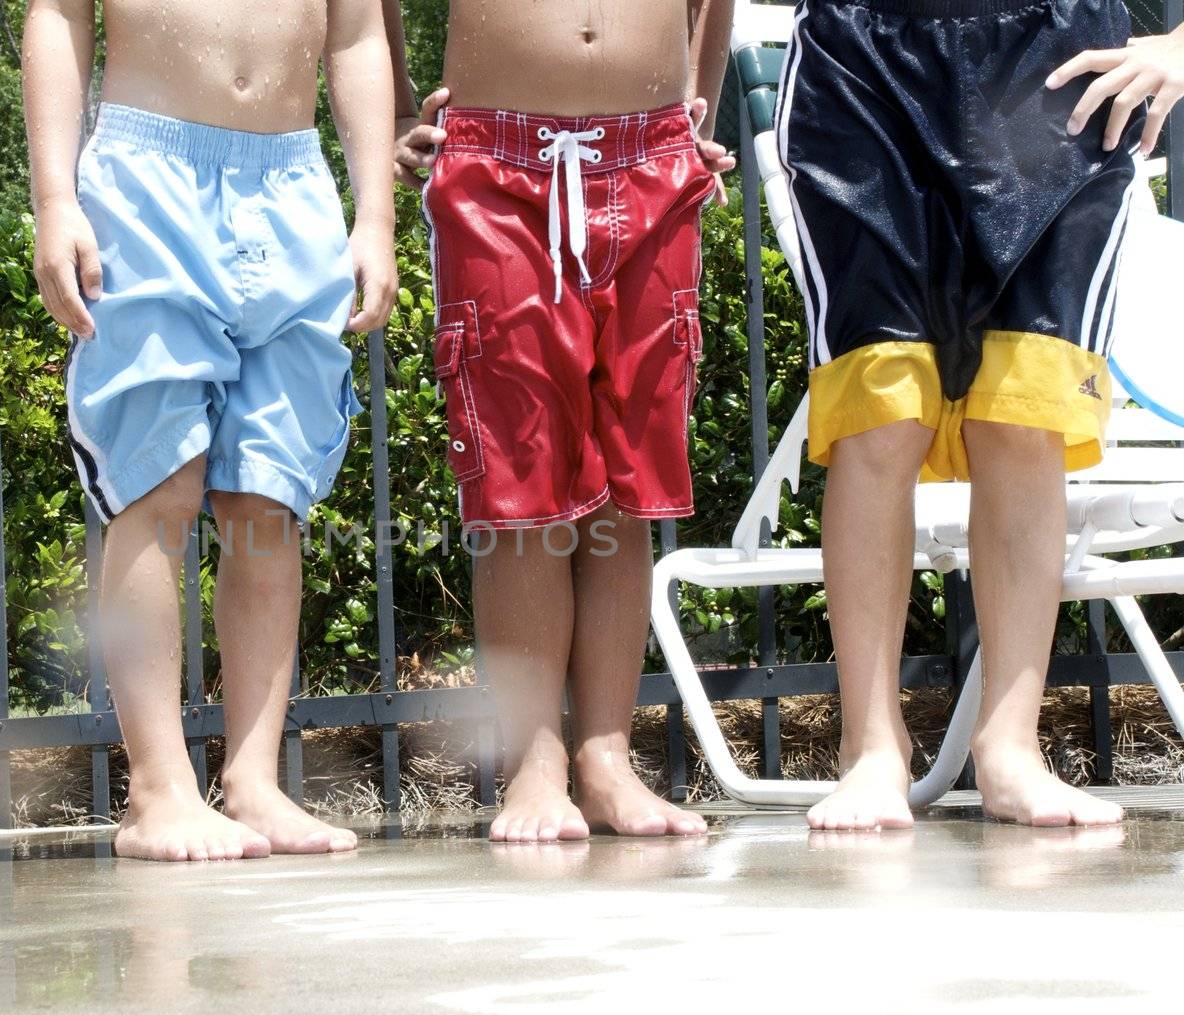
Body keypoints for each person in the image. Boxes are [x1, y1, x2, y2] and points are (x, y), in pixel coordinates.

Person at [780, 0, 1183, 831]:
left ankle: (1011, 746)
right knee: (878, 411)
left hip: (1061, 68)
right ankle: (871, 748)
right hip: (862, 60)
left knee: (1023, 412)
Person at [23, 0, 396, 861]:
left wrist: (373, 215)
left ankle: (255, 780)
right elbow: (57, 13)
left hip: (293, 185)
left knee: (269, 496)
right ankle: (158, 787)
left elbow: (358, 34)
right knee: (158, 483)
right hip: (145, 179)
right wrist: (54, 198)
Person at [386, 1, 736, 843]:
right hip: (497, 167)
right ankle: (533, 769)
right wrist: (399, 112)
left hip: (652, 154)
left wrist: (698, 104)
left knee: (629, 483)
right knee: (519, 487)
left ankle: (606, 761)